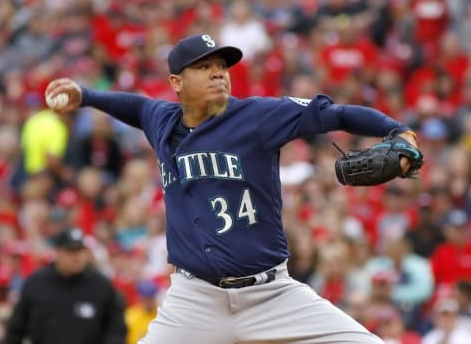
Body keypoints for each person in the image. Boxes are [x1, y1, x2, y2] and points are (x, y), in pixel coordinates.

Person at [45, 34, 419, 344]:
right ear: (177, 82)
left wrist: (396, 129)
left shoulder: (257, 116)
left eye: (222, 67)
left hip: (271, 294)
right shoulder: (161, 120)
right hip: (195, 300)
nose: (218, 74)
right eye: (204, 67)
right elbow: (136, 106)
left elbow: (334, 114)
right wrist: (87, 95)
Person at [3, 227, 127, 344]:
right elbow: (16, 329)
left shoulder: (101, 286)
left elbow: (116, 329)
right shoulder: (37, 283)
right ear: (57, 252)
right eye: (71, 251)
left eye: (80, 250)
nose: (77, 257)